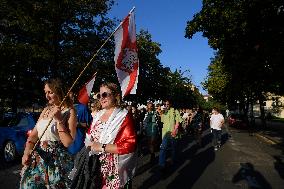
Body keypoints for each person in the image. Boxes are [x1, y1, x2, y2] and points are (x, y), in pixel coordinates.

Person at [74, 82, 137, 188]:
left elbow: (130, 145)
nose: (101, 98)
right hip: (93, 166)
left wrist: (102, 147)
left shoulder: (123, 116)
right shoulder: (98, 115)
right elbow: (89, 136)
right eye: (99, 95)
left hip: (113, 171)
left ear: (115, 95)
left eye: (104, 94)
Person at [20, 78, 77, 188]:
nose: (47, 96)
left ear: (59, 91)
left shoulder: (70, 111)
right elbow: (33, 136)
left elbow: (68, 142)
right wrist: (26, 153)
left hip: (56, 162)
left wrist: (59, 120)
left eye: (50, 92)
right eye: (45, 92)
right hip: (38, 158)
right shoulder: (45, 110)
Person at [158, 99, 183, 170]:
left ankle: (172, 159)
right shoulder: (164, 112)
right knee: (163, 148)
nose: (166, 106)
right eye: (165, 105)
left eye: (167, 104)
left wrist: (175, 130)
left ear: (170, 104)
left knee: (173, 148)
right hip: (165, 133)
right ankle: (161, 164)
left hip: (173, 132)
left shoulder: (175, 111)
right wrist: (161, 113)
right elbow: (162, 121)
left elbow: (178, 121)